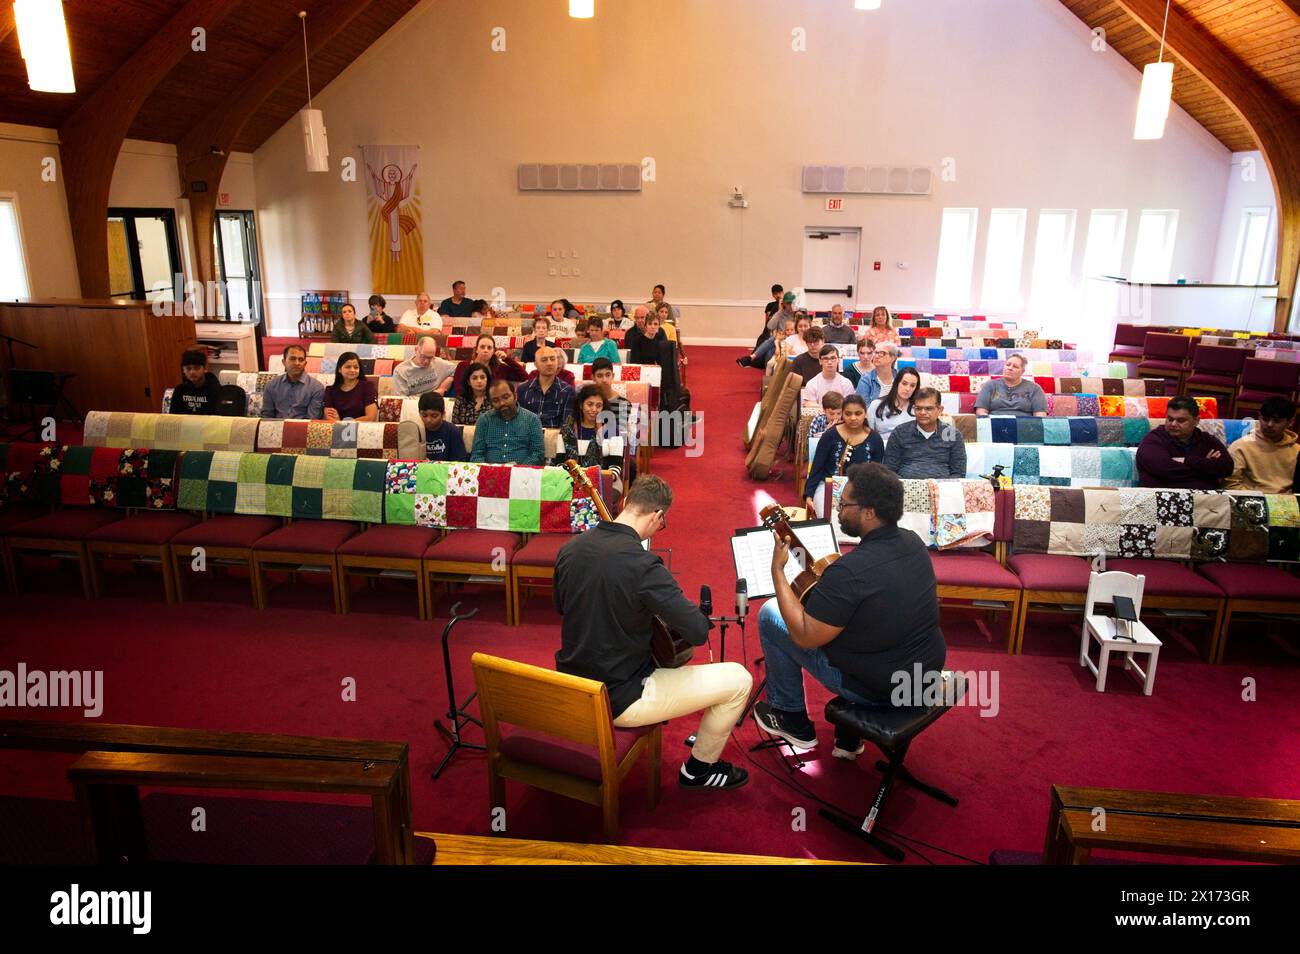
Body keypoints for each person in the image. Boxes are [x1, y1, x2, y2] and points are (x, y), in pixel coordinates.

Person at [554, 475, 752, 791]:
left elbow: (564, 608)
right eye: (662, 523)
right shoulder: (644, 565)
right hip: (618, 699)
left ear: (624, 504)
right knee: (739, 680)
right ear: (657, 516)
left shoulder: (569, 549)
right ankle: (699, 770)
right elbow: (698, 631)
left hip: (570, 684)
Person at [753, 463, 946, 756]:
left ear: (869, 512)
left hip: (881, 690)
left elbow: (805, 636)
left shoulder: (850, 572)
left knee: (770, 613)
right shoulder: (913, 543)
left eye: (845, 505)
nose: (839, 511)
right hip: (925, 674)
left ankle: (790, 716)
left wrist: (778, 571)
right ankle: (849, 736)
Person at [803, 394, 885, 517]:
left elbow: (877, 473)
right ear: (842, 414)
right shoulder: (830, 436)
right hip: (828, 486)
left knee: (862, 519)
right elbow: (817, 467)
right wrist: (809, 495)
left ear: (865, 413)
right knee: (827, 517)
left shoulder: (875, 439)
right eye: (848, 414)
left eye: (858, 413)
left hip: (862, 488)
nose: (853, 418)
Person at [1136, 395, 1233, 490]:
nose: (1173, 424)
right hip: (1163, 501)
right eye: (1170, 419)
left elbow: (1227, 467)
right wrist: (1206, 466)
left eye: (1181, 420)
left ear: (1196, 421)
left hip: (1205, 502)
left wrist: (1187, 460)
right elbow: (1165, 470)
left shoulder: (1206, 440)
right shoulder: (1154, 440)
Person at [882, 387, 966, 478]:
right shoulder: (900, 432)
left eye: (928, 408)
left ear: (940, 410)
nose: (922, 412)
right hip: (905, 488)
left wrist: (940, 487)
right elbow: (889, 470)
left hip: (942, 489)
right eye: (918, 408)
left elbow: (958, 473)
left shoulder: (951, 434)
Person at [1226, 397, 1298, 493]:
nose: (1269, 424)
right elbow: (1230, 484)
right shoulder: (1241, 446)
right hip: (1253, 501)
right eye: (1265, 419)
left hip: (1289, 503)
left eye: (1277, 421)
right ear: (1259, 417)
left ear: (1290, 422)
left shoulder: (1297, 450)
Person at [554, 384, 624, 482]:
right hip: (570, 480)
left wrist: (605, 479)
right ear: (581, 405)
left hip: (604, 480)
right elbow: (560, 462)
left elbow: (616, 464)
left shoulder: (611, 428)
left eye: (598, 406)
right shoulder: (567, 428)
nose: (594, 409)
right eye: (590, 404)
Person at [470, 379, 545, 465]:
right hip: (490, 474)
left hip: (523, 474)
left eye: (506, 397)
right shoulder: (484, 420)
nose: (502, 403)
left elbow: (537, 454)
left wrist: (517, 469)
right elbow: (476, 455)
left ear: (515, 396)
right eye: (496, 401)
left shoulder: (532, 419)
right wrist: (489, 470)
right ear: (491, 403)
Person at [450, 333, 527, 396]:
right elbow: (459, 390)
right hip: (470, 404)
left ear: (494, 351)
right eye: (482, 347)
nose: (485, 350)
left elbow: (524, 376)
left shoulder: (499, 368)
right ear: (476, 349)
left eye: (489, 348)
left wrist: (507, 359)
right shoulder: (463, 366)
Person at [260, 345, 326, 419]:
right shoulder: (271, 385)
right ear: (284, 362)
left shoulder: (316, 388)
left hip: (302, 428)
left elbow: (312, 419)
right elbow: (267, 415)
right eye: (292, 359)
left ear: (305, 363)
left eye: (301, 360)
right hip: (276, 427)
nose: (297, 363)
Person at [517, 346, 575, 428]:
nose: (549, 363)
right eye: (544, 360)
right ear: (536, 364)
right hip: (527, 438)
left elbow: (567, 425)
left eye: (552, 359)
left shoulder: (568, 391)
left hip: (555, 439)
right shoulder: (523, 389)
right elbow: (518, 420)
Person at [974, 353, 1047, 417]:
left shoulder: (1034, 388)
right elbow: (981, 411)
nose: (1010, 368)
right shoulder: (990, 385)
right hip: (995, 426)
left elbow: (1040, 415)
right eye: (1008, 365)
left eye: (1015, 366)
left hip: (1025, 427)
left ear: (1022, 371)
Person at [738, 291, 798, 367]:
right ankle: (753, 359)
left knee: (772, 341)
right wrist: (779, 311)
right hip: (780, 340)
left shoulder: (798, 314)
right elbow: (770, 326)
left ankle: (752, 357)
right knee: (770, 351)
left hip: (792, 340)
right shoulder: (781, 313)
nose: (790, 305)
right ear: (784, 304)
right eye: (788, 303)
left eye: (791, 303)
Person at [391, 335, 457, 397]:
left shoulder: (438, 363)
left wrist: (442, 388)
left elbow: (457, 369)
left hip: (433, 404)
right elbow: (400, 399)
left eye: (430, 357)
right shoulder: (401, 371)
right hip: (412, 404)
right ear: (416, 350)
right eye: (423, 357)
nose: (426, 361)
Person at [868, 367, 920, 441]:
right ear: (896, 383)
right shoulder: (876, 405)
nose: (908, 389)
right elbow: (867, 435)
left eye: (912, 385)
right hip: (882, 449)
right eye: (904, 383)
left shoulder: (918, 409)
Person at [323, 351, 378, 422]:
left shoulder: (367, 387)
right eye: (348, 367)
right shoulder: (330, 390)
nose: (352, 370)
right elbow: (329, 417)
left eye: (356, 367)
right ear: (339, 369)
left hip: (361, 429)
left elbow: (371, 417)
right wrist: (340, 424)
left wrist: (342, 422)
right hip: (336, 430)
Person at [800, 343, 855, 409]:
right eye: (825, 359)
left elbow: (849, 407)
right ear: (820, 361)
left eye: (833, 358)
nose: (829, 362)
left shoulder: (846, 383)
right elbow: (808, 406)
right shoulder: (812, 384)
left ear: (838, 360)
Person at [418, 392, 468, 462]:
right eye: (424, 415)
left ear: (443, 414)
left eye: (434, 416)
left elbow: (459, 462)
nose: (428, 420)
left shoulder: (452, 431)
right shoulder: (416, 432)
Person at [169, 349, 221, 415]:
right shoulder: (179, 390)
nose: (192, 372)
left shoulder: (215, 389)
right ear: (183, 370)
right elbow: (174, 417)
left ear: (204, 369)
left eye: (197, 368)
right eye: (188, 368)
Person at [591, 356, 632, 436]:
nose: (604, 380)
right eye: (599, 376)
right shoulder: (588, 402)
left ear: (613, 376)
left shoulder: (623, 403)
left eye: (608, 375)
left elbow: (621, 435)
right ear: (593, 378)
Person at [452, 361, 492, 425]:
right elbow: (455, 425)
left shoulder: (494, 398)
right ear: (469, 382)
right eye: (474, 378)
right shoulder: (461, 399)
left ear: (487, 379)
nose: (479, 381)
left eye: (482, 377)